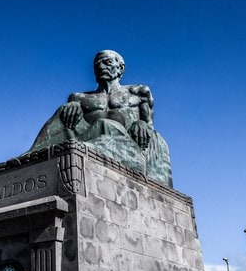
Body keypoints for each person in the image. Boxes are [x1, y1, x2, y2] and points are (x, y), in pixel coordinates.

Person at [29, 50, 172, 187]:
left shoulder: (138, 92)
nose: (101, 66)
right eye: (97, 64)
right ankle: (33, 156)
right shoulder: (79, 98)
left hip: (125, 143)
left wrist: (141, 123)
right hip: (89, 137)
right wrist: (72, 106)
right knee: (64, 111)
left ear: (120, 68)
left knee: (104, 124)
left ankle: (81, 149)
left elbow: (149, 126)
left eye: (107, 62)